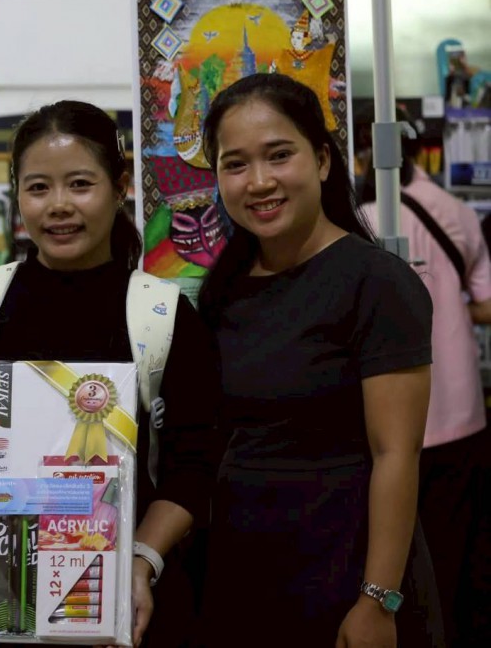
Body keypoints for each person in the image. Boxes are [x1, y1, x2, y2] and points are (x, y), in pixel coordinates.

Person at [0, 100, 223, 648]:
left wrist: (141, 563)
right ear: (18, 195)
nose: (58, 206)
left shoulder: (163, 315)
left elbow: (193, 468)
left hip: (120, 605)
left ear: (120, 187)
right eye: (38, 188)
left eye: (80, 184)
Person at [196, 73, 438, 647]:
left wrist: (377, 600)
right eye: (235, 164)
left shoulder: (376, 283)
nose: (259, 181)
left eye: (279, 155)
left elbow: (396, 453)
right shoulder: (224, 289)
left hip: (344, 571)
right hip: (242, 573)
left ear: (323, 161)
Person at [358, 112, 491, 648]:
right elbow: (486, 302)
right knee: (457, 556)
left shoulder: (357, 222)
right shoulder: (454, 210)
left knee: (395, 560)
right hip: (459, 414)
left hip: (383, 425)